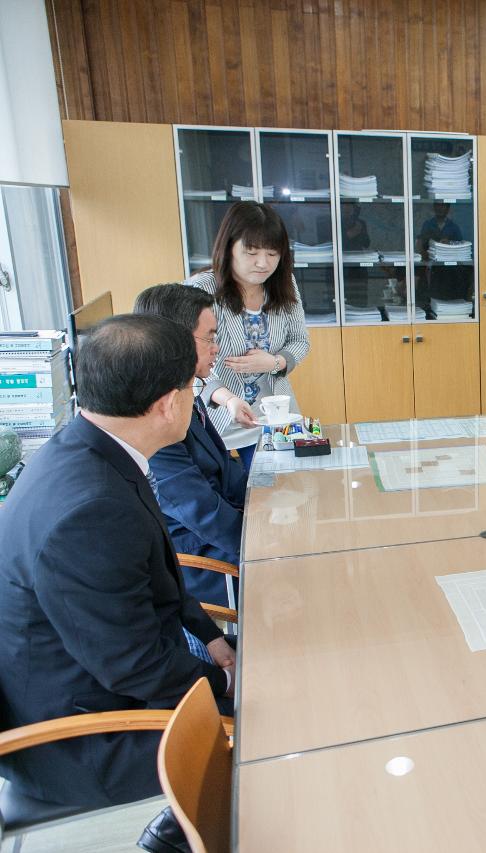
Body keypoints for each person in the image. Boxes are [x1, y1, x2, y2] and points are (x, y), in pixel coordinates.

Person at [0, 315, 235, 850]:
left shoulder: (89, 450)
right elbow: (134, 665)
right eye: (191, 386)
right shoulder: (89, 509)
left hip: (101, 675)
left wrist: (215, 640)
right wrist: (227, 684)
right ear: (169, 404)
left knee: (276, 666)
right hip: (83, 736)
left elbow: (160, 580)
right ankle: (179, 837)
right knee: (276, 731)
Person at [135, 283, 248, 607]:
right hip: (208, 559)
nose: (217, 348)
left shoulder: (185, 391)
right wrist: (268, 544)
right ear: (176, 340)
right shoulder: (159, 414)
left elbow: (228, 469)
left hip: (226, 534)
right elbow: (201, 512)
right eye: (210, 337)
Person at [185, 200, 310, 469]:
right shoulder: (202, 289)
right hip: (222, 417)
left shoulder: (284, 285)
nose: (263, 263)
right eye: (251, 252)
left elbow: (300, 341)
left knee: (286, 490)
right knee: (239, 496)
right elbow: (189, 359)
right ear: (229, 247)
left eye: (273, 254)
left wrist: (275, 363)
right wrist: (226, 398)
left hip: (275, 418)